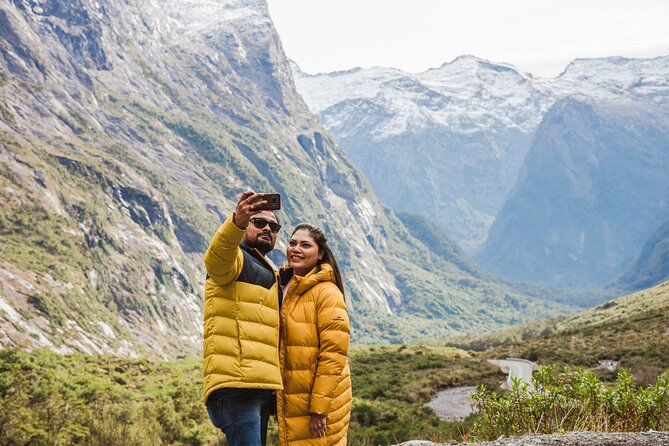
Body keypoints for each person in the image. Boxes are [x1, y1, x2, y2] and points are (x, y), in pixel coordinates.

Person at [202, 191, 283, 446]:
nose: (267, 228)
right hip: (237, 386)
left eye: (274, 226)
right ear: (245, 224)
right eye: (259, 222)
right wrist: (235, 223)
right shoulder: (234, 258)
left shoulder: (267, 268)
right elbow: (216, 258)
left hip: (258, 385)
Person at [276, 223, 352, 446]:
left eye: (305, 245)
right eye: (292, 243)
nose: (296, 249)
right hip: (295, 397)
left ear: (320, 254)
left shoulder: (327, 293)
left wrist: (319, 409)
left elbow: (333, 355)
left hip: (317, 402)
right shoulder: (285, 285)